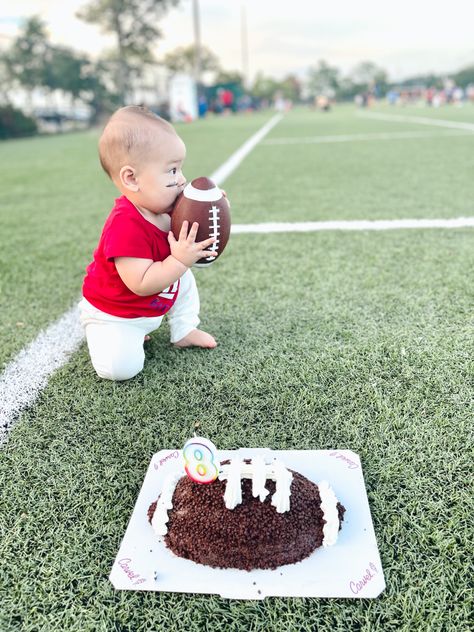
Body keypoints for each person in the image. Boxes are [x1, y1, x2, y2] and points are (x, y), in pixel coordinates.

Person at [79, 105, 218, 381]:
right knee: (121, 370)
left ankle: (184, 329)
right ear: (132, 179)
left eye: (180, 168)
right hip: (116, 313)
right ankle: (103, 335)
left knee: (184, 278)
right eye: (172, 170)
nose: (182, 179)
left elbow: (195, 220)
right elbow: (141, 283)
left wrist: (212, 204)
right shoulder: (124, 224)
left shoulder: (164, 205)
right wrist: (178, 261)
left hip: (153, 303)